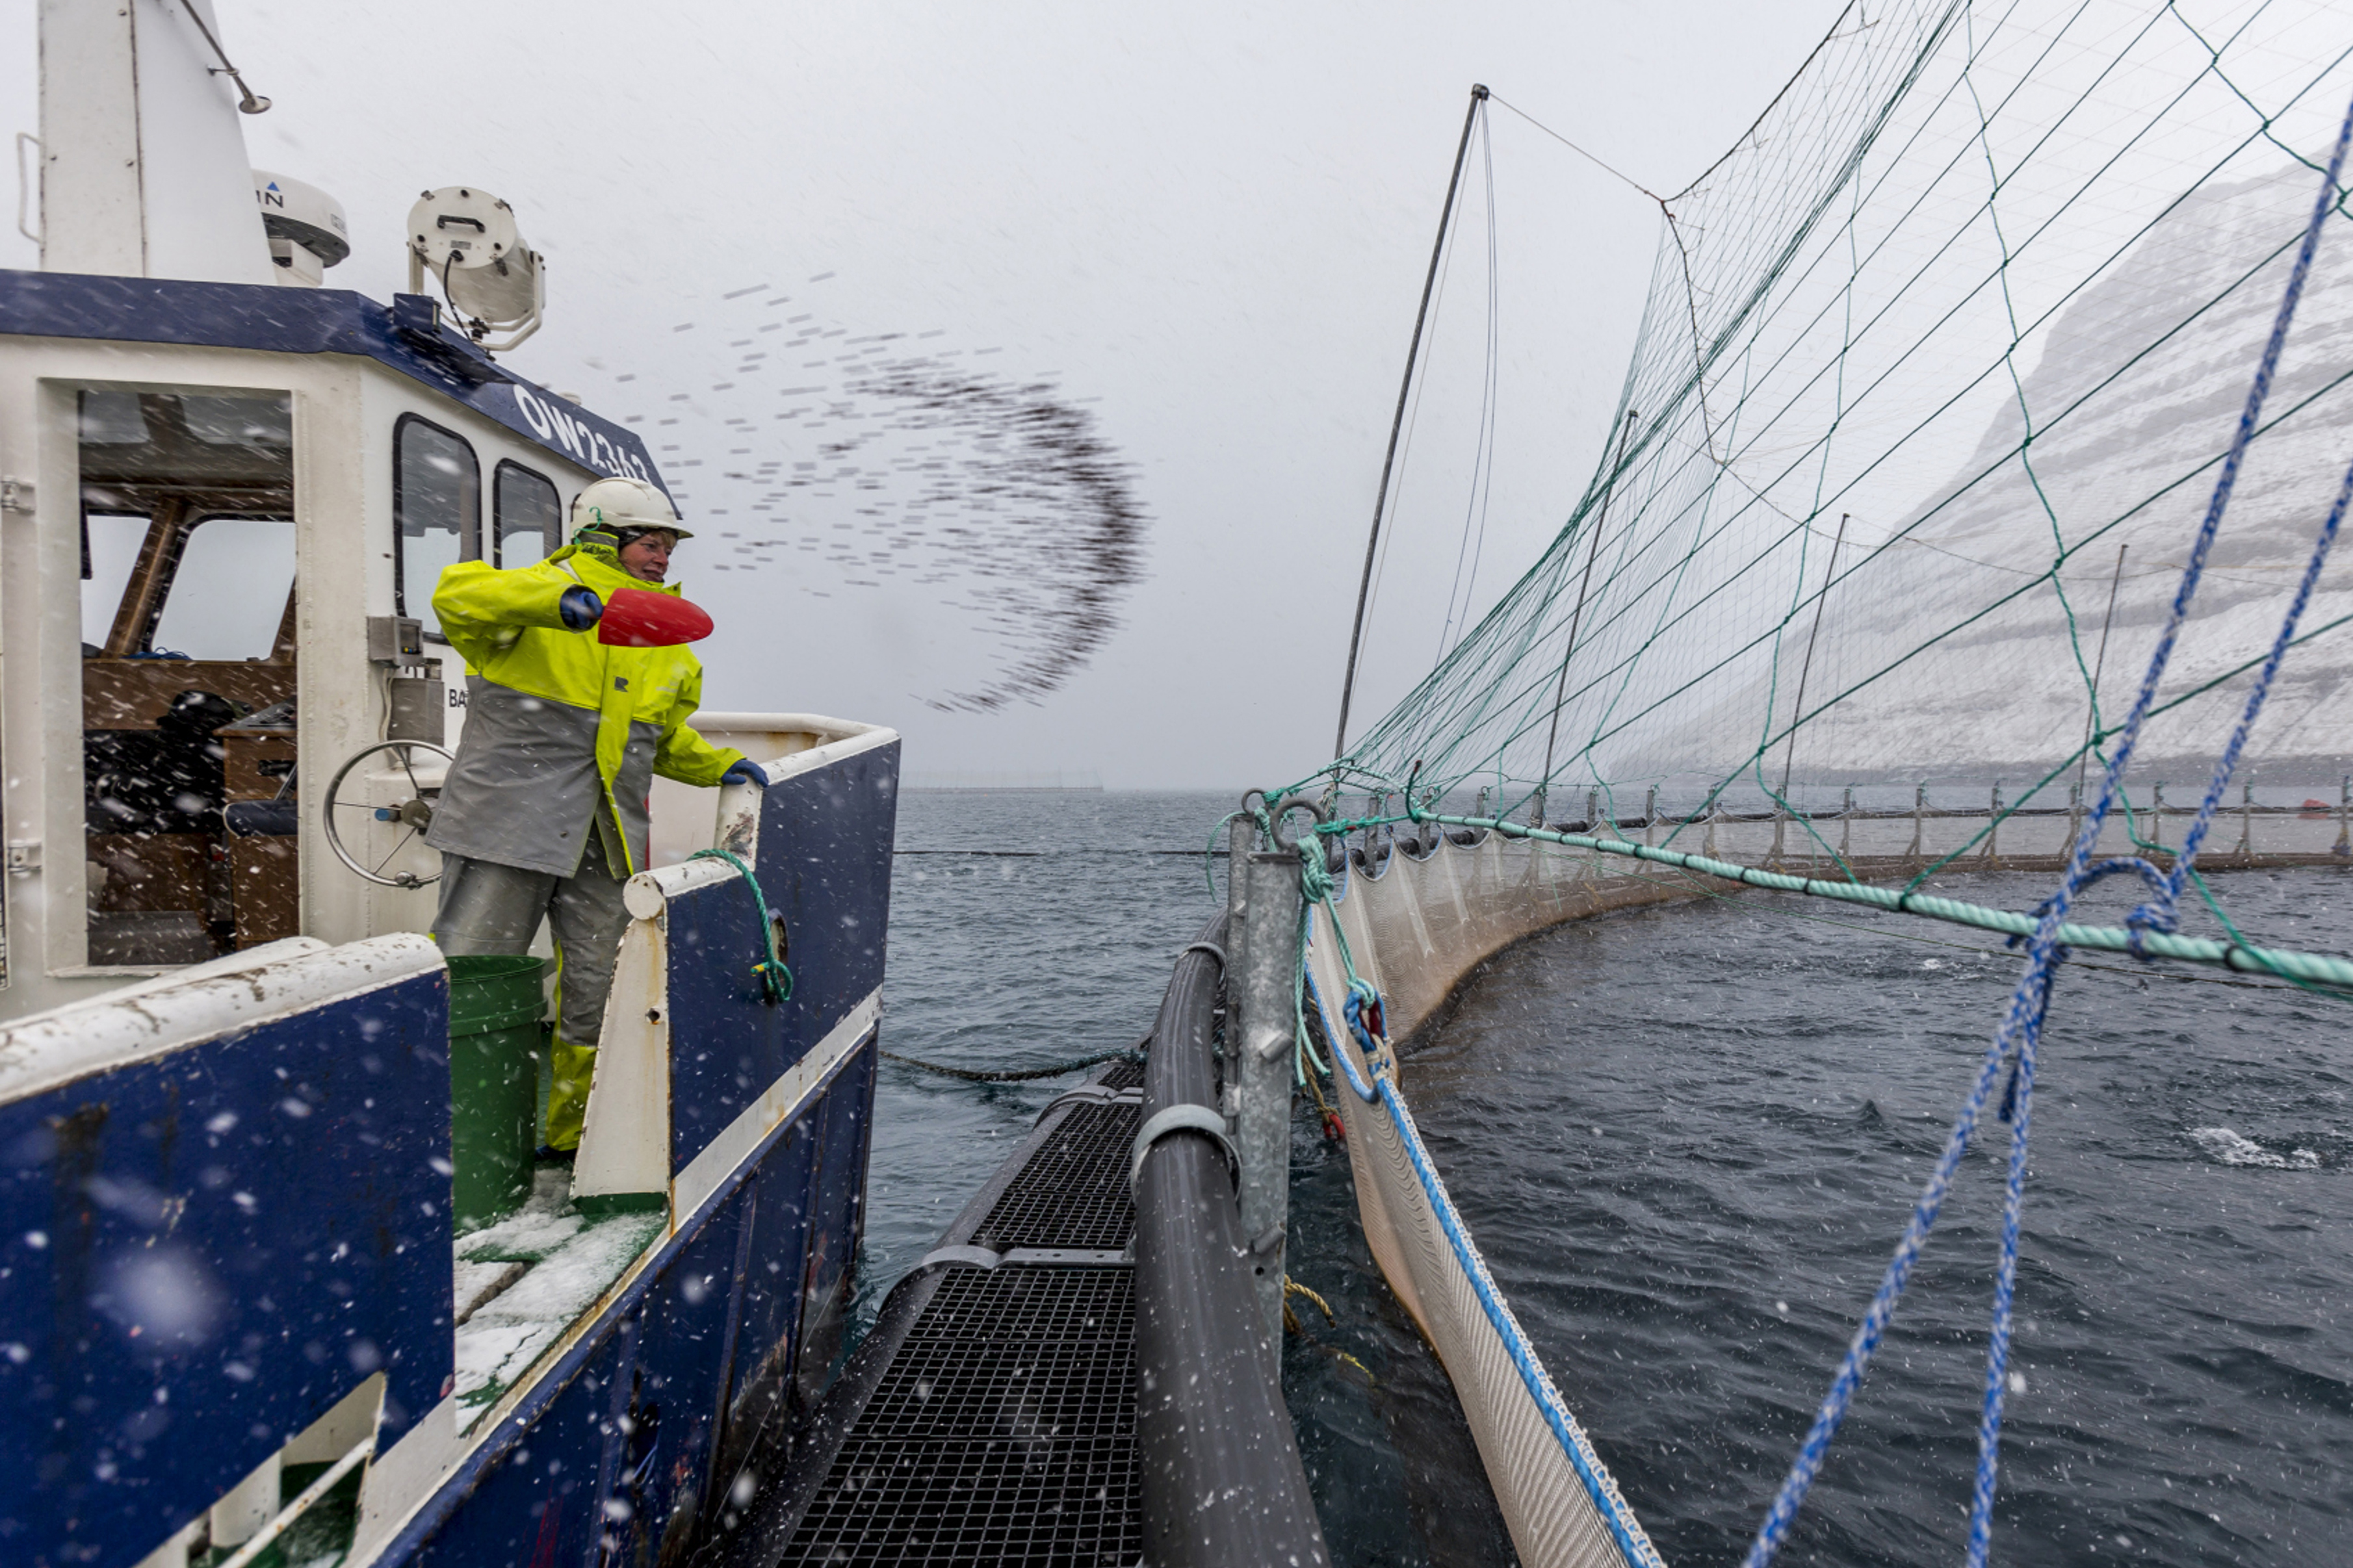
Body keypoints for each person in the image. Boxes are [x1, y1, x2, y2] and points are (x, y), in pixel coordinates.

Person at [424, 476, 768, 1157]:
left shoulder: (667, 644)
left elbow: (661, 740)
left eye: (668, 544)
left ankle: (570, 1139)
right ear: (597, 538)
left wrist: (717, 766)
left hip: (605, 840)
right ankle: (453, 1139)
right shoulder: (526, 601)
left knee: (602, 992)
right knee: (471, 977)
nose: (662, 555)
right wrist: (561, 603)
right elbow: (456, 593)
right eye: (649, 540)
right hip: (505, 829)